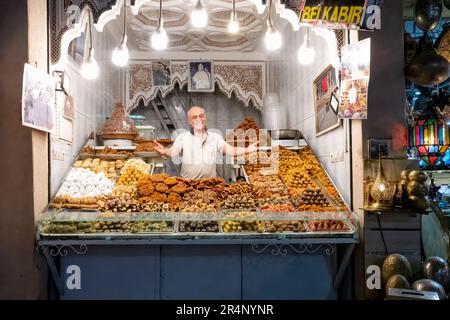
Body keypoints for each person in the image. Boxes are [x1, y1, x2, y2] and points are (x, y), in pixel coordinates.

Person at [153, 106, 258, 179]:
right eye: (194, 117)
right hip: (188, 185)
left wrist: (247, 150)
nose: (199, 119)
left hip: (210, 186)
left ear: (205, 118)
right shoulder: (183, 137)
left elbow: (230, 150)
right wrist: (163, 151)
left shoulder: (215, 137)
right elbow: (172, 152)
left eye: (201, 116)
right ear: (190, 121)